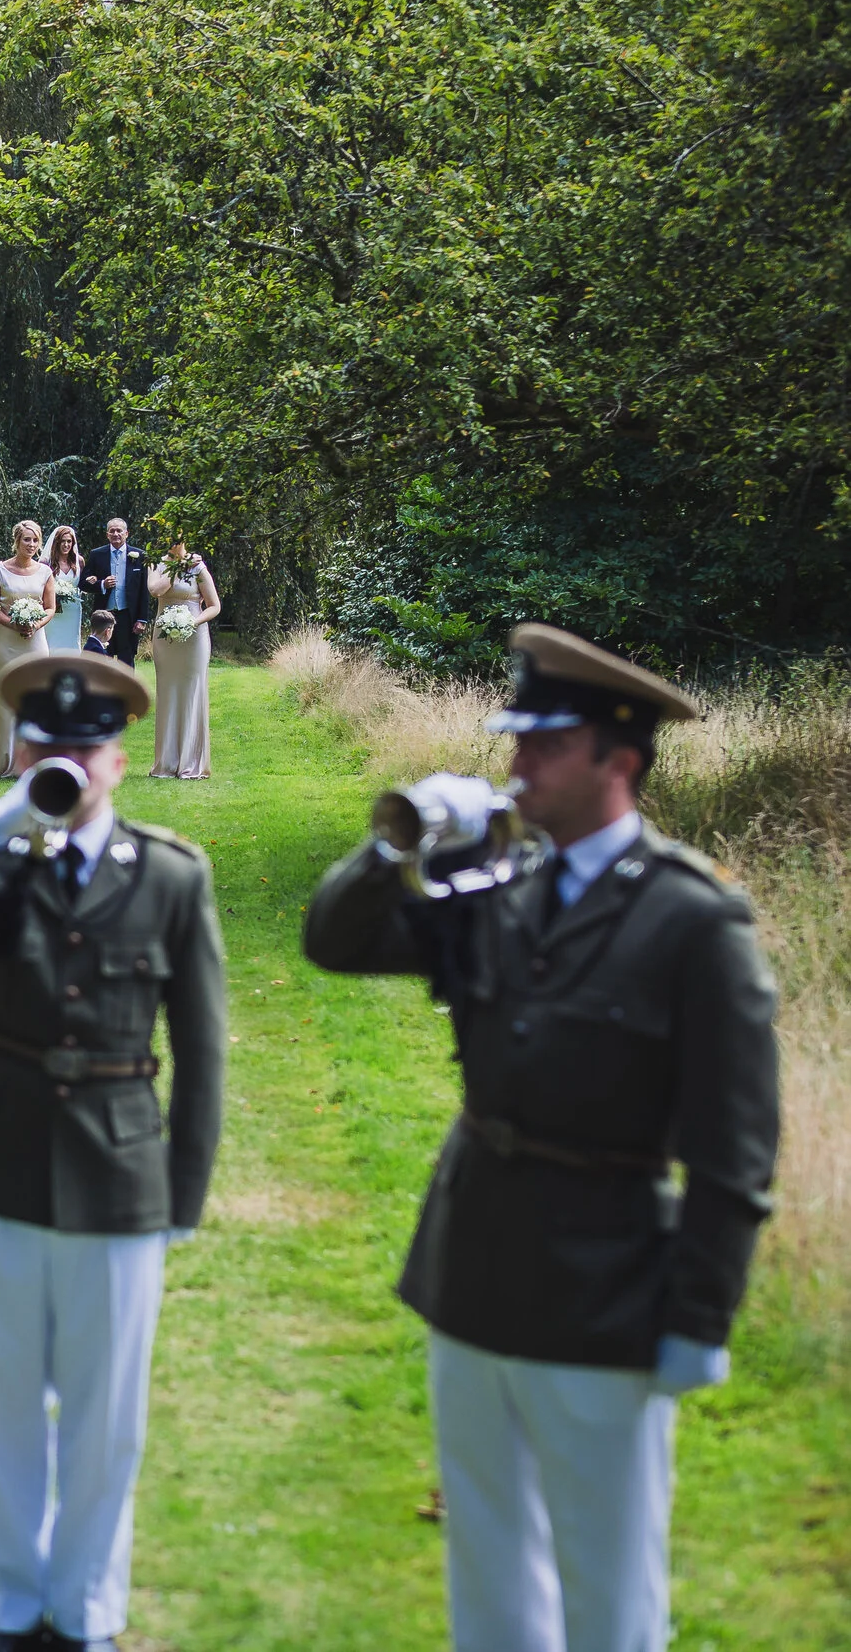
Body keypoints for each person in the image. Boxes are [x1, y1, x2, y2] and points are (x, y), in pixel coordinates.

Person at [304, 624, 779, 1652]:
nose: (514, 763)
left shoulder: (693, 922)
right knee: (487, 1571)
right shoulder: (496, 883)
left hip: (606, 1288)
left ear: (619, 757)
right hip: (471, 1267)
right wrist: (397, 840)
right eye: (513, 738)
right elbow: (335, 942)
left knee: (607, 1586)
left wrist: (699, 1318)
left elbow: (733, 1150)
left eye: (543, 743)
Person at [0, 651, 228, 1652]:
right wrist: (4, 816)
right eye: (44, 744)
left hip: (121, 1169)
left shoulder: (169, 874)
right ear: (22, 750)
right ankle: (5, 1610)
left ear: (117, 760)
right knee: (3, 1402)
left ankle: (84, 1614)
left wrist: (183, 1194)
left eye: (84, 748)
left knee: (106, 1413)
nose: (66, 762)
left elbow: (201, 1053)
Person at [0, 522, 57, 779]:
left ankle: (32, 763)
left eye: (36, 540)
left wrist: (35, 624)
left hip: (36, 643)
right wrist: (12, 623)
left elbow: (50, 608)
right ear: (17, 541)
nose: (32, 545)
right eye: (27, 539)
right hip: (7, 643)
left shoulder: (45, 572)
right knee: (6, 702)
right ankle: (5, 762)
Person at [147, 541, 219, 779]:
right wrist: (178, 566)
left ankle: (191, 762)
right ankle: (166, 763)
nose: (171, 543)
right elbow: (156, 591)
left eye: (176, 538)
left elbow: (214, 606)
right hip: (164, 638)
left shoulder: (198, 567)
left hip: (194, 638)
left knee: (192, 693)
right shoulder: (155, 564)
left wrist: (192, 622)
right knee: (168, 693)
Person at [82, 519, 152, 669]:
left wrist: (142, 619)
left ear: (126, 534)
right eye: (112, 531)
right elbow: (83, 583)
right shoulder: (97, 554)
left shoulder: (139, 556)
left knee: (126, 661)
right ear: (107, 534)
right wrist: (102, 584)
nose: (115, 534)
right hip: (103, 615)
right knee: (101, 660)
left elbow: (143, 590)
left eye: (119, 530)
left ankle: (127, 692)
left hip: (128, 616)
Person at [43, 526, 85, 651]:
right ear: (57, 542)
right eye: (63, 541)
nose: (66, 545)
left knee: (71, 640)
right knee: (52, 640)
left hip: (73, 610)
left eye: (69, 541)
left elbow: (83, 584)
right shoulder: (46, 562)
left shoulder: (79, 561)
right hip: (53, 610)